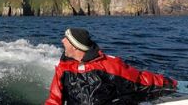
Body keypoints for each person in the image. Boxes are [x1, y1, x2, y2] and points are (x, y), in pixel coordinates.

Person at [45, 28, 179, 105]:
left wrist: (171, 84)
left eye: (66, 39)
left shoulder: (108, 65)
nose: (62, 40)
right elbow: (54, 99)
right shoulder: (63, 68)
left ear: (75, 47)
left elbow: (140, 80)